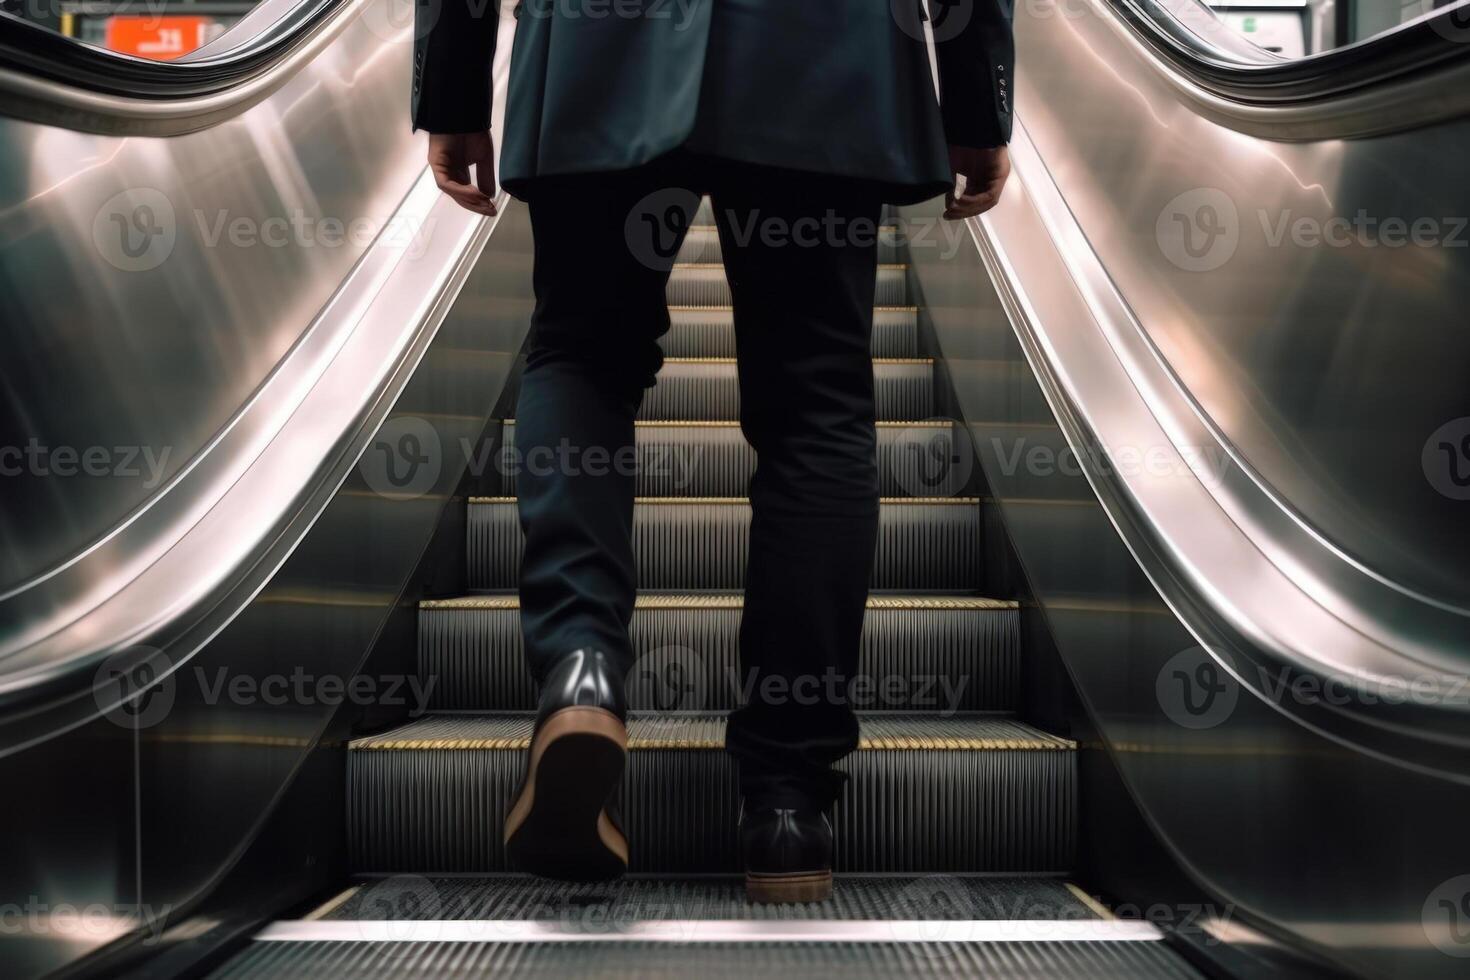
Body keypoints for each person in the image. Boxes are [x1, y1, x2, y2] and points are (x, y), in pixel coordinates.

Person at [413, 0, 1012, 902]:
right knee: (815, 401)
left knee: (583, 354)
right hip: (823, 53)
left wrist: (454, 84)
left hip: (598, 48)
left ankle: (582, 668)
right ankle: (786, 802)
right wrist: (975, 101)